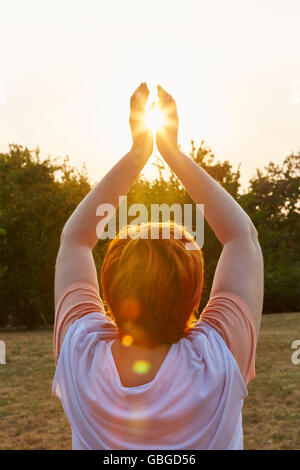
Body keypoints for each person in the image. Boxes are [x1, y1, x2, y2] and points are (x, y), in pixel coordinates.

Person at [52, 83, 264, 450]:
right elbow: (241, 236)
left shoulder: (80, 356)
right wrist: (173, 151)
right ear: (196, 294)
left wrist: (138, 153)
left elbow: (75, 238)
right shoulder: (218, 359)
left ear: (108, 291)